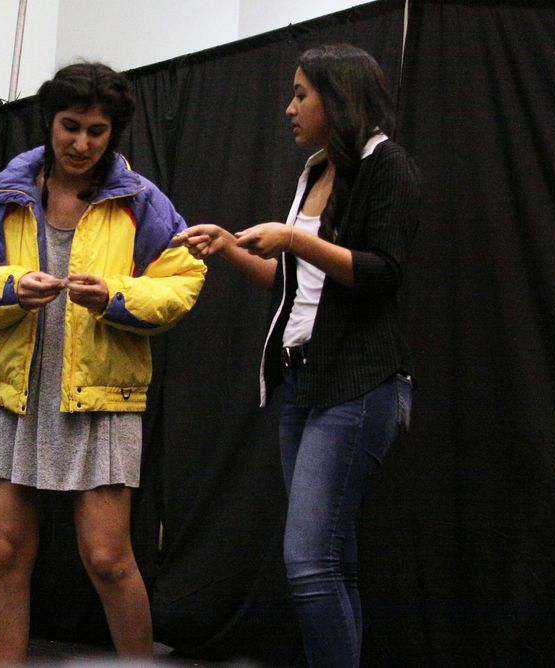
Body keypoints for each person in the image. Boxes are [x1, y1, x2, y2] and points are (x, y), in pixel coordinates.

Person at [0, 62, 206, 662]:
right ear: (48, 121)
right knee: (5, 552)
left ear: (113, 134)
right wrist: (10, 286)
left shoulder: (139, 200)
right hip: (12, 391)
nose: (81, 143)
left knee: (109, 559)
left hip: (99, 394)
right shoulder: (2, 193)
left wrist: (115, 296)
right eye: (70, 126)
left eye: (96, 131)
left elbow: (182, 279)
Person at [174, 44, 420, 667]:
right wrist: (230, 246)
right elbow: (288, 283)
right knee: (333, 564)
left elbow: (382, 272)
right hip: (304, 384)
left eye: (301, 94)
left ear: (337, 99)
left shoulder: (387, 165)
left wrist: (291, 239)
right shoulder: (314, 172)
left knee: (309, 563)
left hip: (360, 384)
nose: (289, 107)